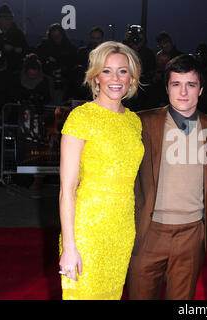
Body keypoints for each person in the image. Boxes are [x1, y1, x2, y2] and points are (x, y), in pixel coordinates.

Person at [127, 54, 207, 300]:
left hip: (192, 236)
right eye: (176, 84)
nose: (183, 92)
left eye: (191, 84)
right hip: (148, 231)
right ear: (167, 88)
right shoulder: (141, 122)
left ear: (201, 89)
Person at [58, 41, 144, 300]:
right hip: (87, 229)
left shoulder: (134, 121)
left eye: (123, 71)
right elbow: (67, 189)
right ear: (95, 76)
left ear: (132, 78)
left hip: (122, 228)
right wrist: (70, 247)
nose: (115, 78)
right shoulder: (81, 117)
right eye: (107, 71)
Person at [0, 3, 28, 72]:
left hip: (14, 70)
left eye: (11, 18)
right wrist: (2, 47)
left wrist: (21, 50)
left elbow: (26, 49)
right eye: (6, 19)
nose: (9, 21)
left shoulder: (18, 33)